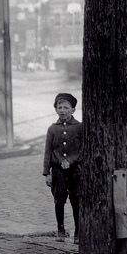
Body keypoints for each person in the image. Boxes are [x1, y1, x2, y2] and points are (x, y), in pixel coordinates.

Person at [42, 92, 83, 242]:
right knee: (59, 200)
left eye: (66, 107)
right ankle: (61, 229)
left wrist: (71, 161)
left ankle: (78, 232)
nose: (62, 110)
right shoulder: (52, 129)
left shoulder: (79, 127)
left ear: (73, 110)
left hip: (75, 171)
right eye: (59, 107)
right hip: (58, 171)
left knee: (76, 200)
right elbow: (48, 151)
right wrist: (47, 173)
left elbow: (83, 149)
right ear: (55, 109)